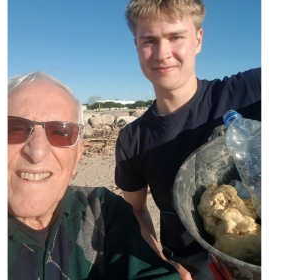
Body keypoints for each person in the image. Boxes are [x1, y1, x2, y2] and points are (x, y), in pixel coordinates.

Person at [114, 1, 261, 279]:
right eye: (149, 40)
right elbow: (136, 210)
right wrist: (160, 261)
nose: (162, 53)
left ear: (198, 39)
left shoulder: (249, 92)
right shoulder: (132, 139)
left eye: (175, 37)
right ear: (136, 45)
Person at [7, 71, 181, 280]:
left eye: (60, 132)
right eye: (14, 129)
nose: (36, 152)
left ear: (78, 154)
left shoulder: (103, 211)